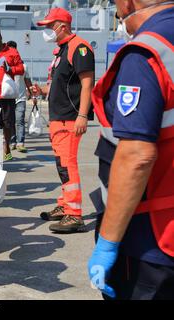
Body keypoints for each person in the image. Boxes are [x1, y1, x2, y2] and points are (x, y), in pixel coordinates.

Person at [88, 0, 174, 300]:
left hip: (154, 240)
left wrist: (108, 243)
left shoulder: (146, 52)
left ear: (128, 3)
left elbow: (137, 155)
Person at [33, 8, 95, 233]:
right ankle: (65, 204)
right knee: (62, 165)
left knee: (68, 165)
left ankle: (74, 214)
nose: (47, 31)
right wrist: (42, 89)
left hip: (70, 118)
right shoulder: (62, 50)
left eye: (49, 26)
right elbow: (61, 84)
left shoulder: (79, 48)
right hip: (59, 118)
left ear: (62, 25)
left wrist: (82, 115)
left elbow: (87, 83)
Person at [0, 27, 24, 161]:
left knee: (8, 124)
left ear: (0, 38)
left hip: (7, 94)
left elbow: (21, 69)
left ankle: (6, 145)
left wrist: (10, 69)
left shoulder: (12, 52)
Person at [7, 40, 34, 153]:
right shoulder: (5, 66)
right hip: (8, 98)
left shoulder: (24, 66)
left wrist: (33, 96)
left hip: (21, 98)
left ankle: (20, 143)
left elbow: (28, 82)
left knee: (20, 120)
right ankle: (12, 142)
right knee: (10, 121)